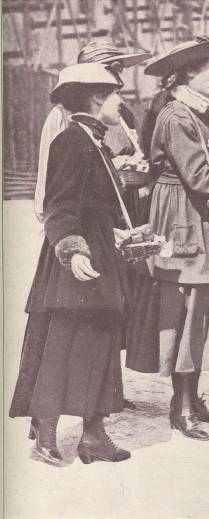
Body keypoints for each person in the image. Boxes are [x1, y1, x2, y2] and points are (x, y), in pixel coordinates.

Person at [125, 36, 209, 441]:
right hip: (182, 216)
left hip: (196, 213)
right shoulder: (176, 115)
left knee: (204, 304)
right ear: (187, 74)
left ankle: (191, 397)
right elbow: (199, 178)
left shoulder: (198, 113)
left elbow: (202, 170)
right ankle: (180, 405)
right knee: (187, 305)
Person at [9, 63, 135, 465]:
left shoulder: (94, 141)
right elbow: (59, 204)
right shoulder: (70, 141)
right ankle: (45, 438)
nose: (122, 102)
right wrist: (73, 249)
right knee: (62, 345)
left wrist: (119, 233)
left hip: (97, 251)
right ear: (97, 98)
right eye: (117, 94)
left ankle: (94, 436)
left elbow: (95, 204)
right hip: (75, 260)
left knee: (99, 343)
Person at [34, 40, 151, 222]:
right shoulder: (62, 114)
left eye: (118, 71)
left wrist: (134, 164)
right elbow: (51, 171)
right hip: (87, 209)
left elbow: (134, 150)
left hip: (125, 200)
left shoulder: (123, 113)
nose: (117, 78)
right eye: (110, 70)